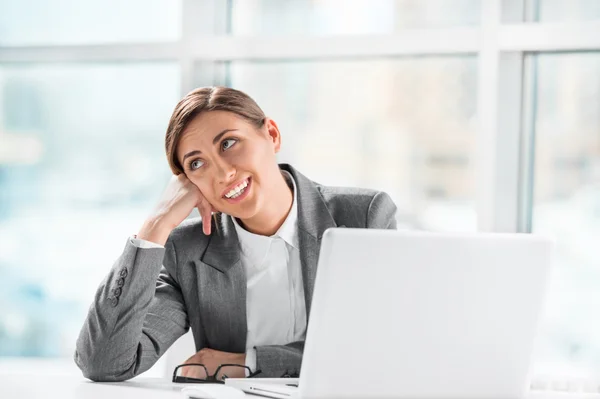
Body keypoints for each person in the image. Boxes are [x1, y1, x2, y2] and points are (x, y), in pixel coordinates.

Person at [74, 86, 398, 382]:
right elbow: (104, 361)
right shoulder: (188, 251)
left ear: (271, 134)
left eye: (228, 143)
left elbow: (380, 350)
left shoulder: (363, 217)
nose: (223, 173)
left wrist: (250, 362)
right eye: (197, 164)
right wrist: (156, 225)